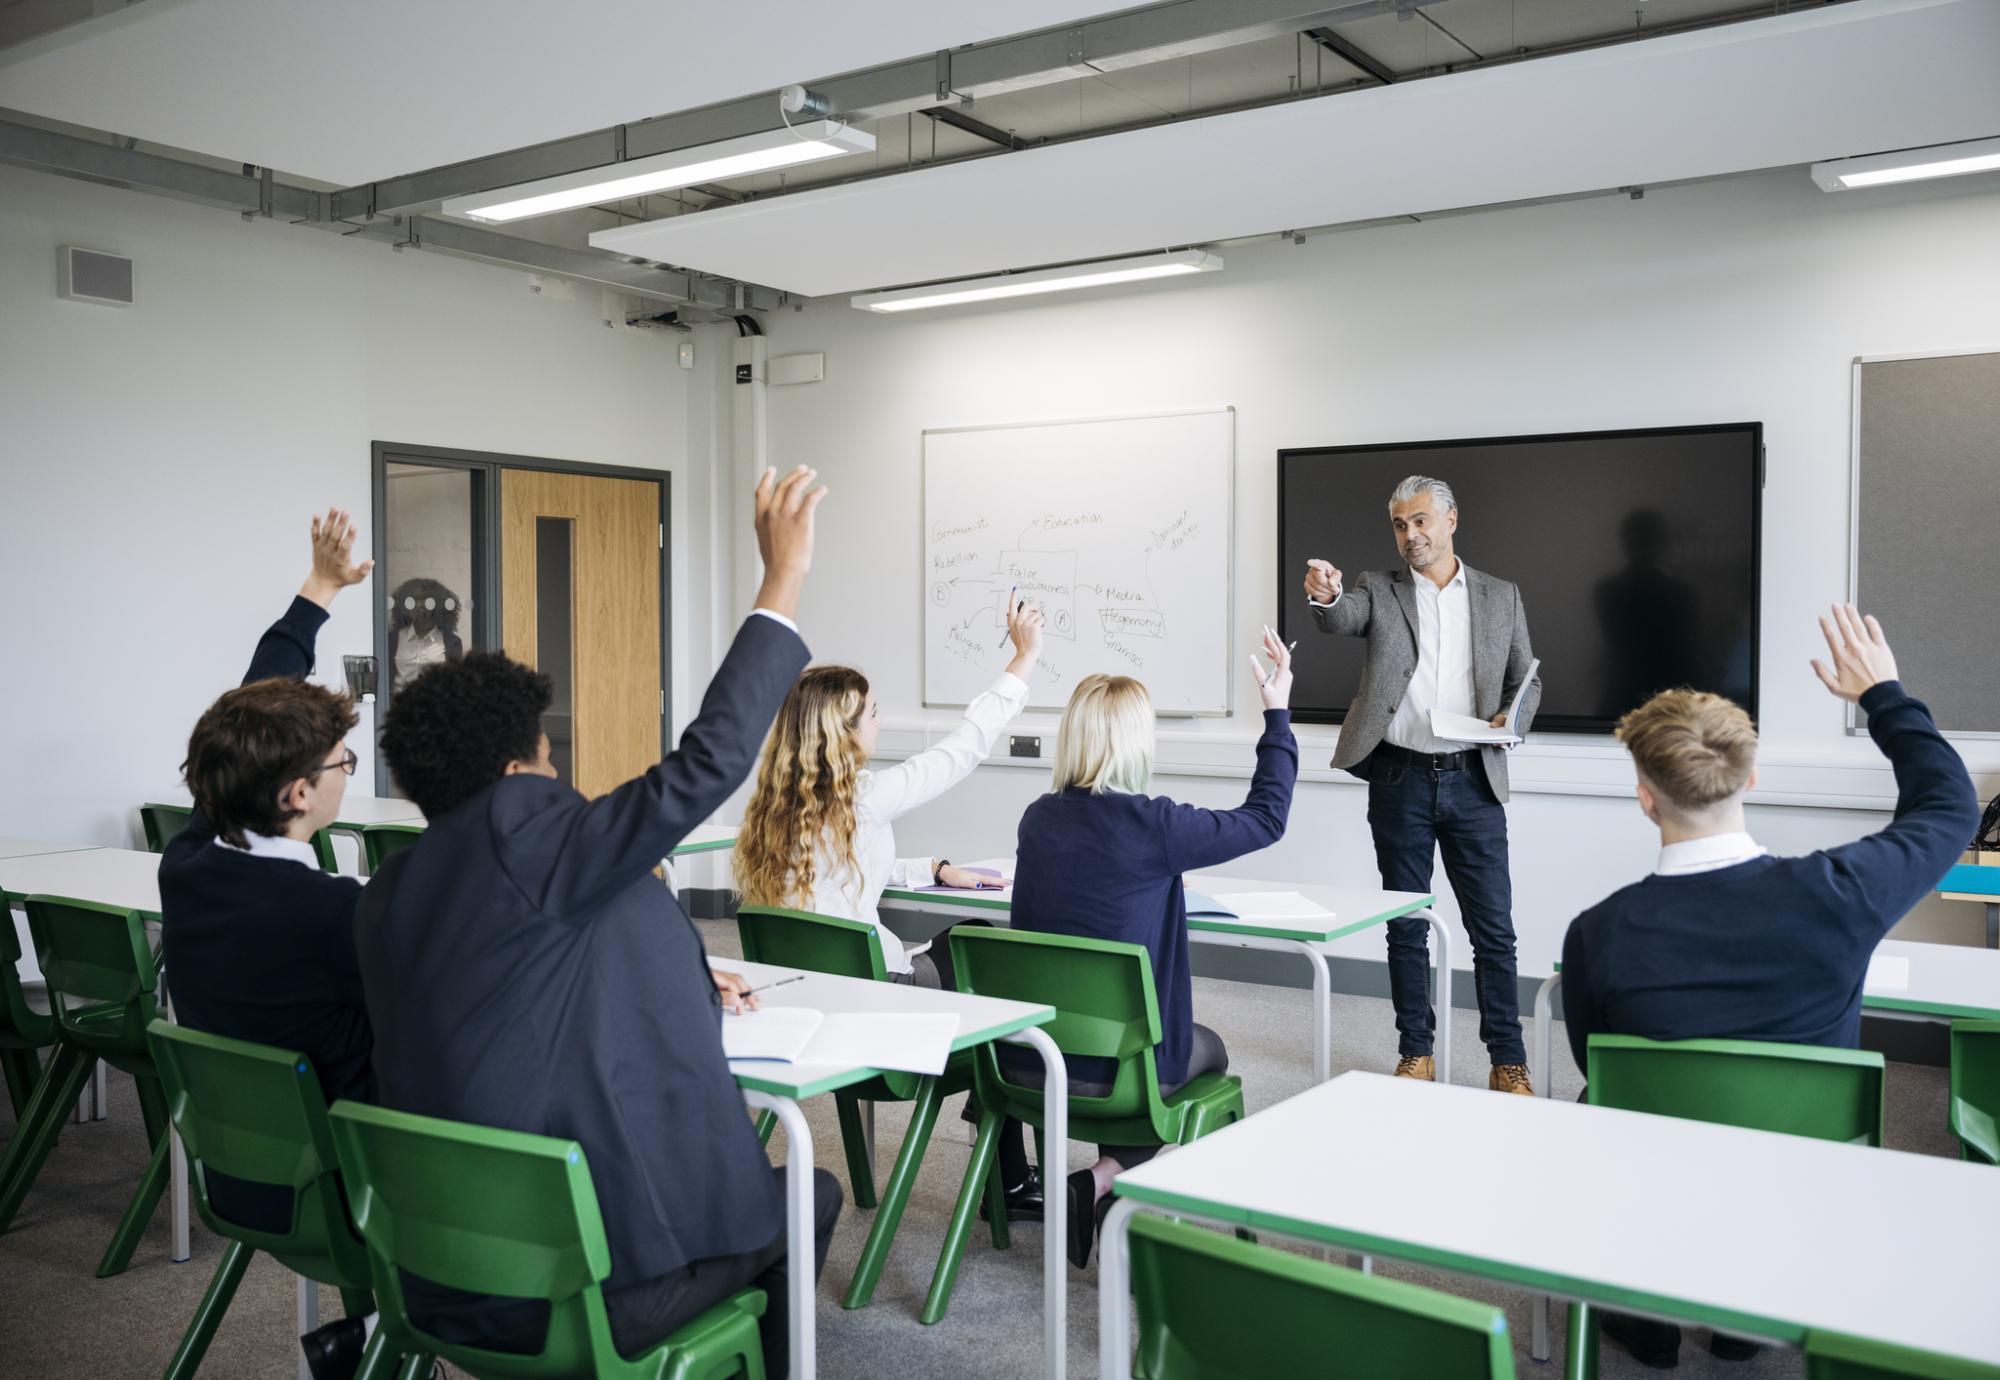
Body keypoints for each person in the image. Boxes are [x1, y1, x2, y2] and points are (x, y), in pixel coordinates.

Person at [354, 466, 836, 1379]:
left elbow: (521, 986)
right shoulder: (530, 839)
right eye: (547, 753)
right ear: (514, 767)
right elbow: (705, 764)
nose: (559, 773)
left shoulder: (392, 890)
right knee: (805, 1196)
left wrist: (693, 977)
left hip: (439, 1269)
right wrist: (782, 580)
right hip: (578, 1288)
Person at [1559, 606, 1976, 1368]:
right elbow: (1951, 806)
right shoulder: (1842, 894)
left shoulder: (1598, 933)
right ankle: (1752, 1308)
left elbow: (1599, 1066)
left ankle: (1642, 1314)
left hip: (1657, 1183)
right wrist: (1884, 695)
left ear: (1646, 796)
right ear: (1751, 777)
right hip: (1803, 1185)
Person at [733, 599, 1047, 1216]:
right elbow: (963, 749)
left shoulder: (774, 811)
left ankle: (1008, 1175)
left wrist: (929, 870)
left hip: (807, 1001)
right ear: (842, 734)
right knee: (982, 949)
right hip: (875, 1002)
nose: (881, 720)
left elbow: (842, 874)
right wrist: (1024, 657)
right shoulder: (865, 798)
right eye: (873, 713)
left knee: (969, 953)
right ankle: (1008, 1177)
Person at [157, 508, 379, 1379]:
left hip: (244, 1178)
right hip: (353, 1194)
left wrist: (316, 594)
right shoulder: (330, 916)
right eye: (339, 766)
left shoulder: (186, 864)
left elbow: (245, 713)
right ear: (295, 794)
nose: (345, 776)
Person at [1008, 629, 1298, 1268]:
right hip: (1116, 1076)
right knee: (1207, 1049)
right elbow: (1266, 817)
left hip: (1029, 1063)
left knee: (1154, 1047)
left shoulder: (1038, 817)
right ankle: (1106, 1178)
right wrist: (1276, 711)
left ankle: (1101, 1186)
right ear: (1137, 742)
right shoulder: (1157, 827)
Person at [1303, 474, 1541, 1093]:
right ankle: (1416, 1051)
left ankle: (1507, 1060)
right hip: (1400, 779)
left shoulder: (1500, 596)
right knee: (1405, 923)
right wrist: (1325, 597)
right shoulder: (1377, 590)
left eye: (1421, 522)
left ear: (1451, 520)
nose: (1411, 535)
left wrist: (1511, 719)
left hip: (1475, 781)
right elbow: (1340, 619)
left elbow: (1528, 678)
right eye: (1401, 525)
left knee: (1494, 930)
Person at [387, 576, 465, 688]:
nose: (419, 605)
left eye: (424, 599)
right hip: (400, 702)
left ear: (437, 605)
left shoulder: (451, 642)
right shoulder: (393, 639)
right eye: (413, 600)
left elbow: (455, 683)